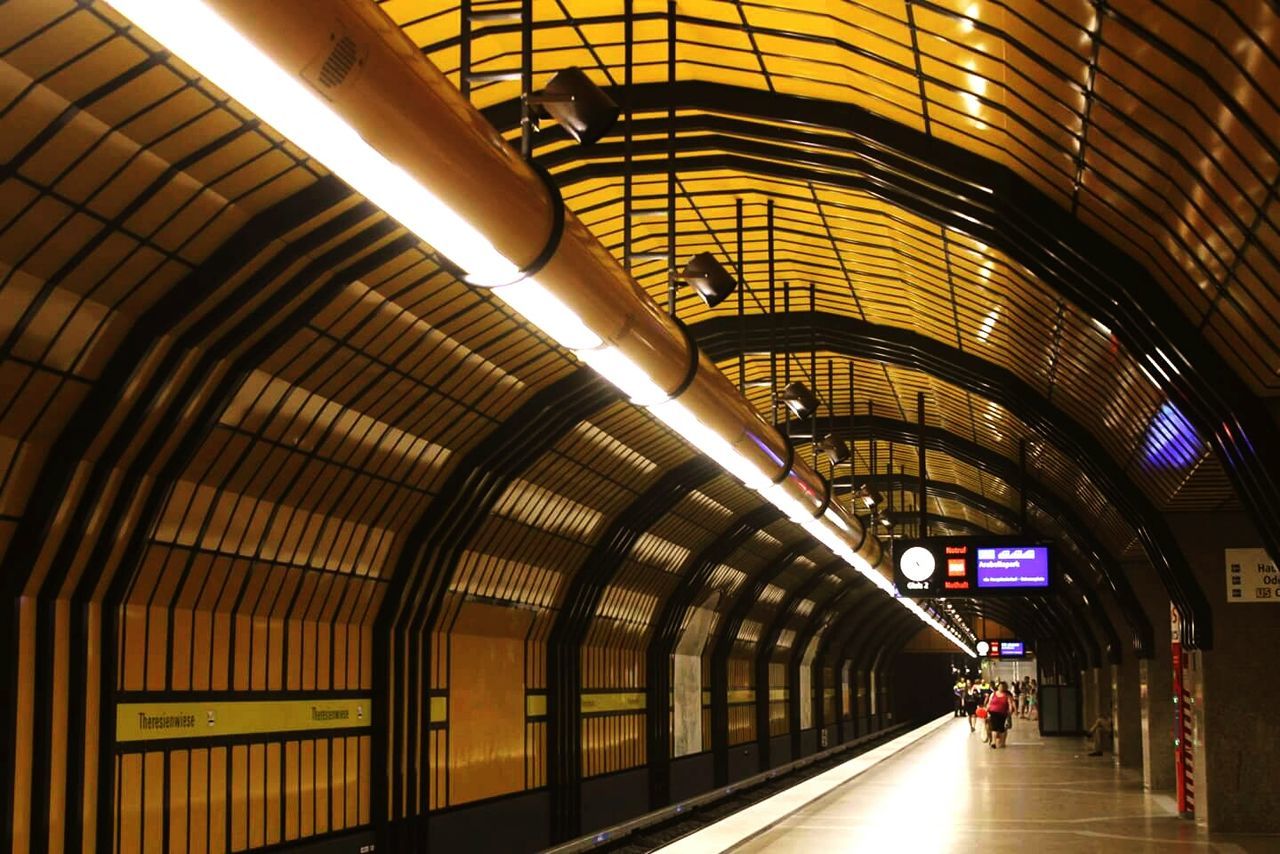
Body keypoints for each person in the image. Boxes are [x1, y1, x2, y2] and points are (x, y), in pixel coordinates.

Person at [985, 681, 1012, 749]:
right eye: (1000, 686)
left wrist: (1010, 711)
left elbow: (1010, 704)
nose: (1001, 688)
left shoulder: (1007, 695)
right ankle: (993, 742)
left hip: (1002, 713)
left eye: (1002, 687)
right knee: (994, 727)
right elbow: (989, 702)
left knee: (1001, 728)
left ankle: (1002, 742)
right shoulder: (993, 694)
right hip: (993, 712)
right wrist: (986, 710)